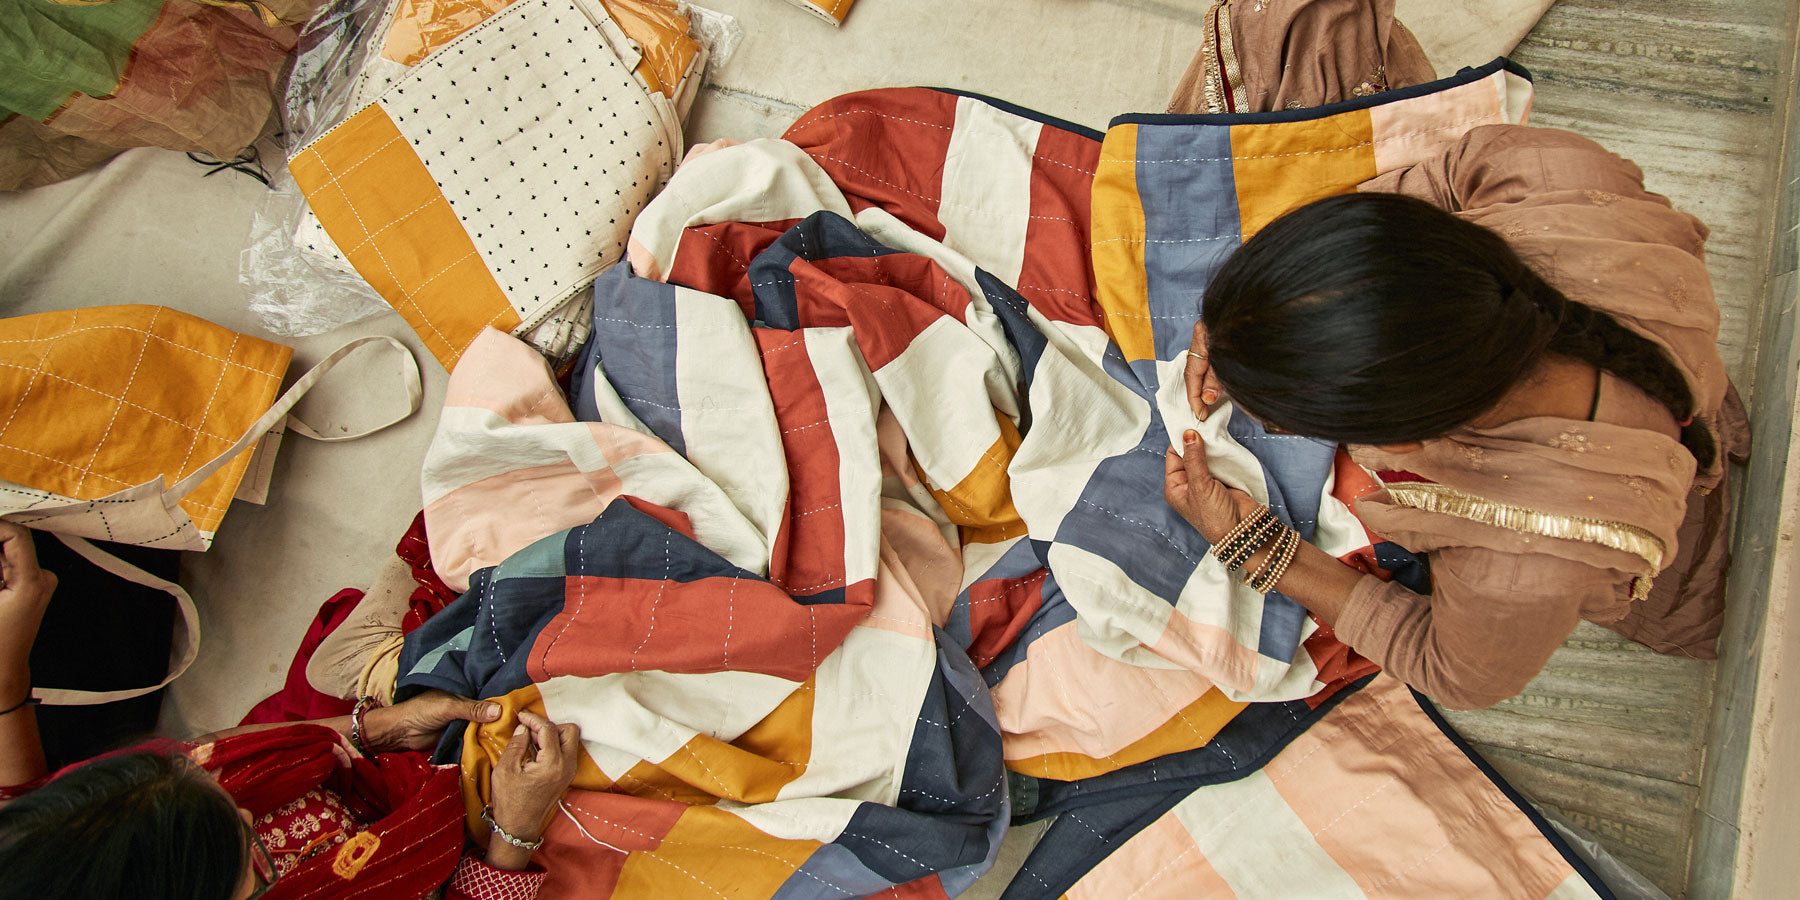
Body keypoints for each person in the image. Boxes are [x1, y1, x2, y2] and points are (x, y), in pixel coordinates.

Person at [1163, 126, 1748, 709]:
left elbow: (1453, 675)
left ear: (1411, 444)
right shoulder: (1564, 180)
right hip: (1678, 396)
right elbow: (1439, 184)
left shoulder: (1520, 570)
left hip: (1683, 567)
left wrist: (1256, 547)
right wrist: (1255, 318)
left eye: (1286, 422)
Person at [0, 521, 583, 899]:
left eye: (209, 777)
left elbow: (18, 799)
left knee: (469, 604)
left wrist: (376, 728)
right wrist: (514, 833)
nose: (254, 819)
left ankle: (381, 669)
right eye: (247, 852)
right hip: (446, 859)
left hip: (359, 775)